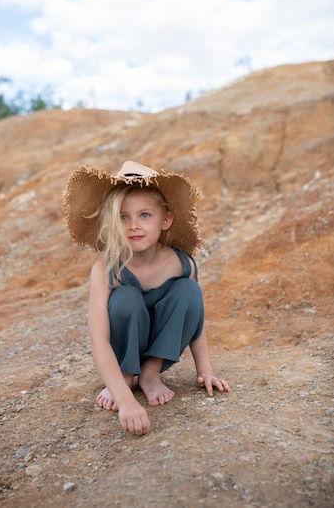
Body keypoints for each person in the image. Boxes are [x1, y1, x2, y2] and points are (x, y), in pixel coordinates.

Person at [63, 160, 230, 436]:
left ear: (166, 220)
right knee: (126, 298)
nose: (133, 226)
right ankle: (125, 377)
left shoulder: (181, 263)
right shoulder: (106, 269)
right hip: (122, 348)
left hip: (158, 348)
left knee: (190, 292)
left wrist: (206, 370)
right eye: (123, 217)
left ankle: (150, 373)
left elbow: (195, 319)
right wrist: (125, 401)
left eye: (145, 215)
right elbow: (99, 338)